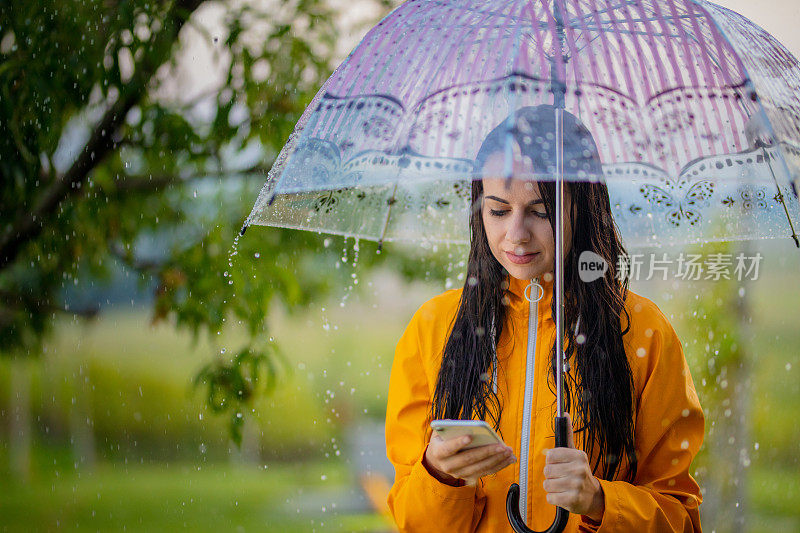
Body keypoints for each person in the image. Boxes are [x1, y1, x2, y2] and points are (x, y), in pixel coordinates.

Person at [384, 105, 704, 532]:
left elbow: (681, 518)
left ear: (581, 207)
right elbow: (411, 522)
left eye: (540, 211)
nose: (516, 234)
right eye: (498, 211)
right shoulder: (433, 329)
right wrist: (439, 476)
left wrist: (600, 501)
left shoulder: (644, 332)